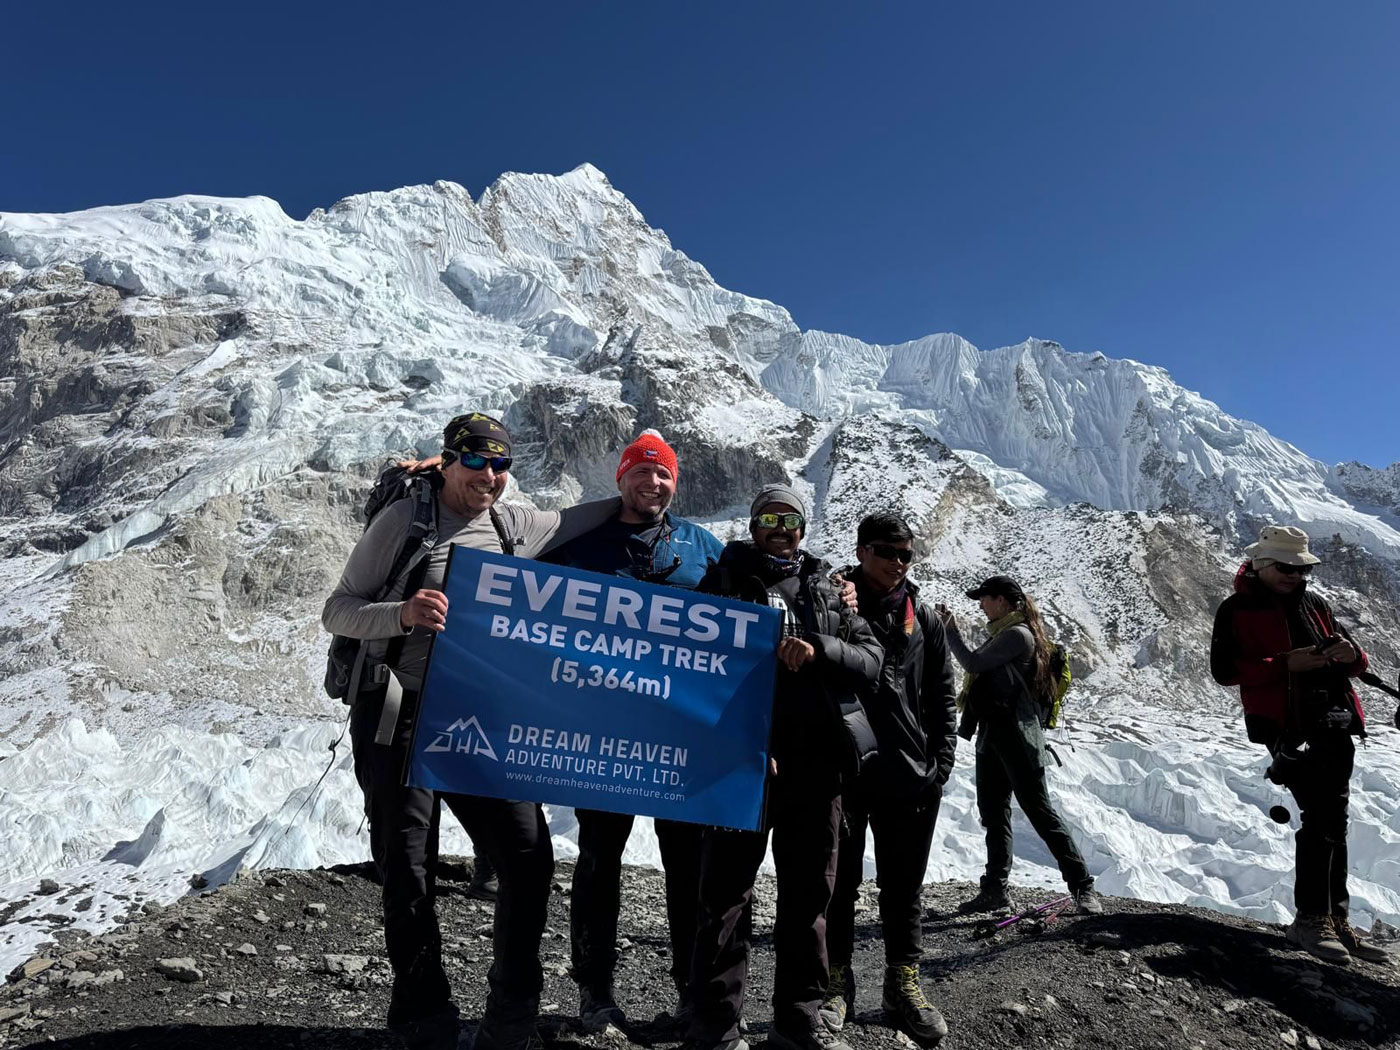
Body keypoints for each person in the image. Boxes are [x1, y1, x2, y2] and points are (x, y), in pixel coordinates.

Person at [323, 412, 617, 1050]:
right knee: (407, 867)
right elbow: (338, 609)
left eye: (502, 464)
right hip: (396, 710)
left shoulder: (513, 524)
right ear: (449, 460)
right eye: (477, 462)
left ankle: (510, 1015)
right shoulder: (406, 523)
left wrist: (645, 485)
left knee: (527, 855)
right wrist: (401, 613)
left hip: (477, 717)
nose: (490, 475)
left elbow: (582, 517)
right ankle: (423, 1016)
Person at [539, 429, 725, 1031]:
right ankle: (595, 991)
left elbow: (756, 604)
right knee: (598, 861)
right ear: (620, 478)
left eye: (664, 474)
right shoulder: (579, 544)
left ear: (676, 482)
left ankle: (690, 993)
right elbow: (518, 602)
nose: (653, 483)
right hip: (604, 735)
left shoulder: (703, 547)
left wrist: (839, 588)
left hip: (680, 738)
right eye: (642, 472)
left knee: (688, 865)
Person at [686, 484, 883, 1050]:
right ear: (753, 525)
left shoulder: (828, 589)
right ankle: (717, 1028)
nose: (780, 527)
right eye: (769, 518)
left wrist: (820, 646)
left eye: (790, 519)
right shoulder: (723, 581)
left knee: (808, 900)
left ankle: (799, 1023)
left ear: (803, 527)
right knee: (724, 899)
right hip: (741, 765)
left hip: (818, 768)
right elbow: (694, 668)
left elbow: (871, 661)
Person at [1210, 525, 1389, 965]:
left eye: (1301, 567)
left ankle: (1332, 920)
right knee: (1322, 815)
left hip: (1333, 717)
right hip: (1285, 724)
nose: (1295, 575)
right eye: (1287, 567)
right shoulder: (1237, 609)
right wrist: (1284, 664)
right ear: (1262, 565)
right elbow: (1224, 670)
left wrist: (1351, 657)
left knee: (1334, 819)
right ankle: (1312, 920)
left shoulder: (1315, 602)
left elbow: (1357, 657)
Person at [823, 513, 956, 1046]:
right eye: (885, 552)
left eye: (905, 555)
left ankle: (902, 983)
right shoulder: (832, 604)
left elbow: (943, 695)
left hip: (910, 777)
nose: (896, 564)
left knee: (904, 889)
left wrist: (939, 766)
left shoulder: (924, 616)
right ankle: (836, 982)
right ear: (860, 551)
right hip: (846, 774)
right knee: (839, 886)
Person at [937, 576, 1102, 917]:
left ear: (1002, 601)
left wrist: (950, 631)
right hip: (995, 736)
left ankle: (1083, 886)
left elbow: (973, 664)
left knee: (1039, 812)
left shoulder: (1017, 635)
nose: (981, 604)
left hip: (1016, 737)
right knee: (995, 814)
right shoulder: (1006, 634)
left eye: (984, 598)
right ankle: (995, 890)